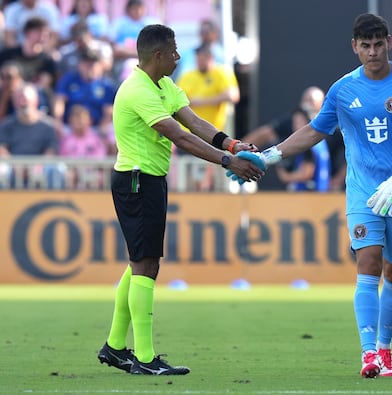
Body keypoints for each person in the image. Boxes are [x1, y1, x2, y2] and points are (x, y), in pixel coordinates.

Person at [232, 13, 392, 378]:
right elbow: (313, 131)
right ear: (354, 47)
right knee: (368, 262)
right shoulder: (343, 90)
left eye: (378, 45)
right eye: (365, 46)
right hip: (361, 192)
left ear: (388, 43)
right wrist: (268, 156)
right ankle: (369, 353)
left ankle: (386, 348)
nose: (372, 53)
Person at [96, 24, 262, 376]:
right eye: (173, 51)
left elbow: (194, 122)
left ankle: (113, 346)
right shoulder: (137, 90)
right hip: (136, 180)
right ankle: (144, 357)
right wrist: (228, 162)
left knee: (139, 262)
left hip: (148, 181)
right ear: (157, 55)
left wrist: (231, 144)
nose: (178, 56)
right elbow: (179, 137)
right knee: (146, 264)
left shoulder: (164, 86)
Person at [176, 42, 240, 191]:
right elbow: (178, 100)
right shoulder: (188, 76)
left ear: (210, 58)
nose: (200, 62)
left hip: (212, 134)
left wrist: (204, 101)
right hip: (187, 132)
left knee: (209, 174)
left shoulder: (221, 73)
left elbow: (232, 95)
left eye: (203, 58)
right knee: (189, 176)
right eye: (197, 58)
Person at [0, 82, 62, 188]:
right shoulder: (6, 125)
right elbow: (2, 149)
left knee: (56, 170)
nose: (23, 102)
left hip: (40, 167)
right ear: (14, 103)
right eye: (19, 98)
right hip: (13, 167)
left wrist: (36, 167)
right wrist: (16, 167)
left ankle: (53, 204)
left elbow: (50, 151)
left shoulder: (48, 126)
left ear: (36, 101)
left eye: (26, 98)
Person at [53, 48, 116, 139]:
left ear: (100, 65)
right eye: (86, 63)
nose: (89, 67)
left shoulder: (106, 85)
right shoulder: (68, 80)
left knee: (112, 134)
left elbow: (109, 110)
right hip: (69, 127)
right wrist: (58, 122)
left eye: (93, 64)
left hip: (96, 128)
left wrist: (102, 128)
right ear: (80, 65)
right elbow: (60, 101)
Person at [275, 108, 330, 192]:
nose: (296, 125)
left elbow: (306, 174)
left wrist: (285, 176)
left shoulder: (307, 144)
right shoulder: (320, 142)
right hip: (321, 194)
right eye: (294, 122)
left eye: (300, 121)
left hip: (310, 197)